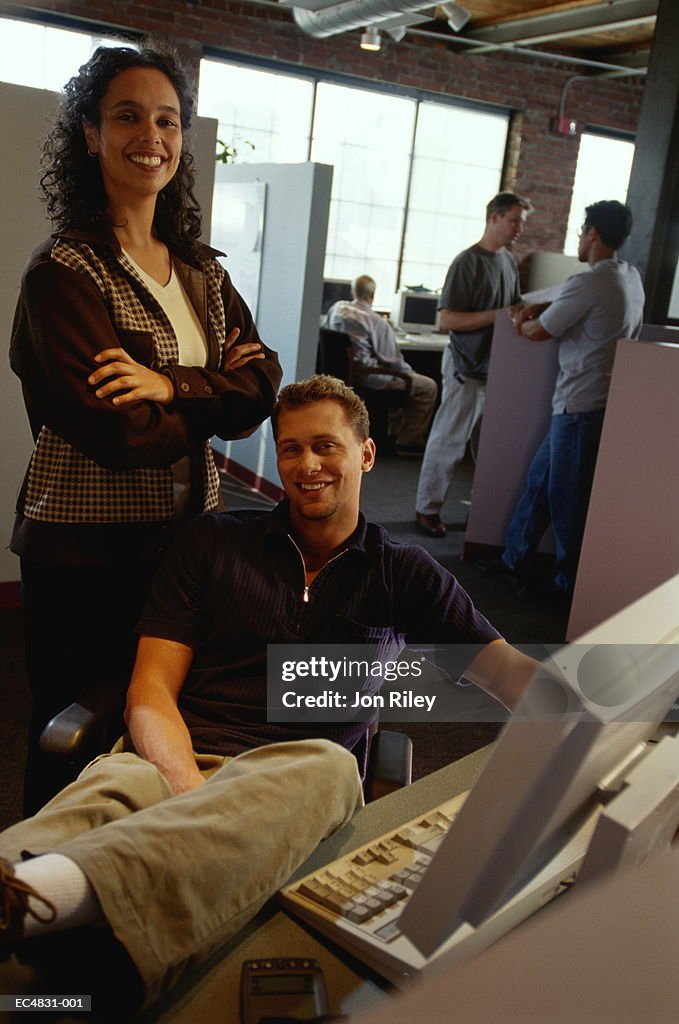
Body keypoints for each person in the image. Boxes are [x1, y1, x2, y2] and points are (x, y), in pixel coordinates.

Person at [0, 376, 539, 1012]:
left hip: (295, 782)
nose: (306, 466)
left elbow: (510, 677)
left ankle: (62, 942)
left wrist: (620, 714)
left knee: (331, 764)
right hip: (177, 759)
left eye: (326, 447)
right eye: (290, 449)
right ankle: (41, 932)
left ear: (366, 454)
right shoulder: (212, 542)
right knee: (97, 799)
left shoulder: (405, 572)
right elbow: (149, 691)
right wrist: (186, 793)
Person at [9, 44, 282, 814]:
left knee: (157, 723)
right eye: (126, 115)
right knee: (69, 729)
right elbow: (118, 433)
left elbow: (262, 386)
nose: (149, 134)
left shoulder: (203, 272)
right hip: (85, 553)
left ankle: (140, 877)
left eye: (166, 119)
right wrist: (214, 395)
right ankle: (36, 887)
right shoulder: (63, 272)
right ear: (90, 135)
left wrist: (168, 386)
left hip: (189, 542)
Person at [486, 200, 645, 597]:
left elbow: (540, 332)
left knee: (568, 502)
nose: (578, 238)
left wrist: (522, 319)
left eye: (580, 231)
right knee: (541, 482)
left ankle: (569, 586)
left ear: (592, 233)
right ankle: (514, 559)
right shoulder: (628, 276)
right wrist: (545, 306)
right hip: (594, 403)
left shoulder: (589, 282)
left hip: (579, 406)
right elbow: (579, 308)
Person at [415, 192, 533, 537]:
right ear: (494, 218)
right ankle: (427, 509)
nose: (519, 229)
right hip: (465, 366)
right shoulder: (466, 262)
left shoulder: (509, 261)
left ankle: (484, 517)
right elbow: (447, 320)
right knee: (449, 440)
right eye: (514, 220)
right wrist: (496, 316)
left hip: (497, 369)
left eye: (521, 222)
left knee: (490, 447)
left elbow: (511, 309)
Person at [327, 274, 437, 453]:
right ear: (373, 294)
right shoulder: (375, 321)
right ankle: (408, 441)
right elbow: (393, 360)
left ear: (353, 291)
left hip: (344, 375)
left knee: (405, 379)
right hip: (370, 378)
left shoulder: (336, 309)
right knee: (426, 386)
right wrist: (412, 373)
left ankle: (393, 432)